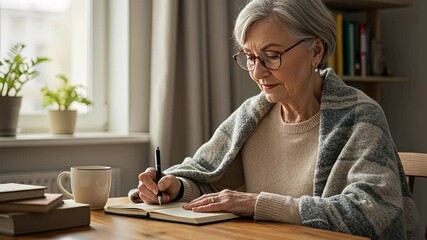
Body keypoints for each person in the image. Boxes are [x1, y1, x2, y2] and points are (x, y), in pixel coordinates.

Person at [130, 0, 419, 238]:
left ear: (315, 51)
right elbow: (211, 179)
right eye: (250, 57)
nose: (257, 72)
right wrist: (175, 187)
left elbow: (374, 212)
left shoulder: (360, 117)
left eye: (271, 55)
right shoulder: (252, 114)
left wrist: (260, 203)